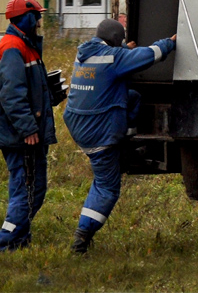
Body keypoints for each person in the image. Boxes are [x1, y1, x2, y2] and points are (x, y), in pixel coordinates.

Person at [63, 18, 176, 253]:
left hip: (77, 122)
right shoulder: (115, 58)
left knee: (132, 96)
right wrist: (170, 43)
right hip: (97, 131)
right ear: (115, 39)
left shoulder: (85, 53)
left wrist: (124, 50)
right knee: (106, 188)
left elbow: (110, 59)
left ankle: (125, 140)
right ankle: (81, 240)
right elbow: (150, 54)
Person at [0, 0, 59, 251]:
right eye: (37, 16)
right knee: (29, 189)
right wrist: (28, 129)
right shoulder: (14, 47)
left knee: (30, 187)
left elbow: (24, 88)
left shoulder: (22, 44)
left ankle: (19, 241)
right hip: (20, 134)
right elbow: (11, 94)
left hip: (19, 131)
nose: (40, 20)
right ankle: (5, 242)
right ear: (27, 18)